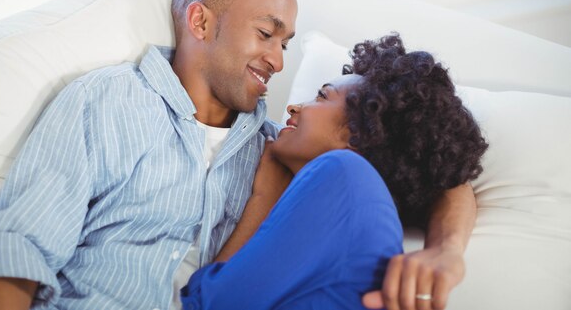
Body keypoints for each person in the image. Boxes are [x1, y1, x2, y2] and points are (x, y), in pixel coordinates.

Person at [0, 0, 475, 310]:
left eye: (286, 44)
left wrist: (445, 251)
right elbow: (16, 254)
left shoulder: (284, 151)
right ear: (200, 23)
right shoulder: (106, 101)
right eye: (266, 33)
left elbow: (441, 174)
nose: (277, 60)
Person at [180, 34, 488, 310]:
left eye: (322, 96)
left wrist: (264, 200)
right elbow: (453, 187)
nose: (293, 108)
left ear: (359, 134)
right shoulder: (365, 210)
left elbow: (206, 302)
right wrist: (447, 249)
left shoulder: (344, 172)